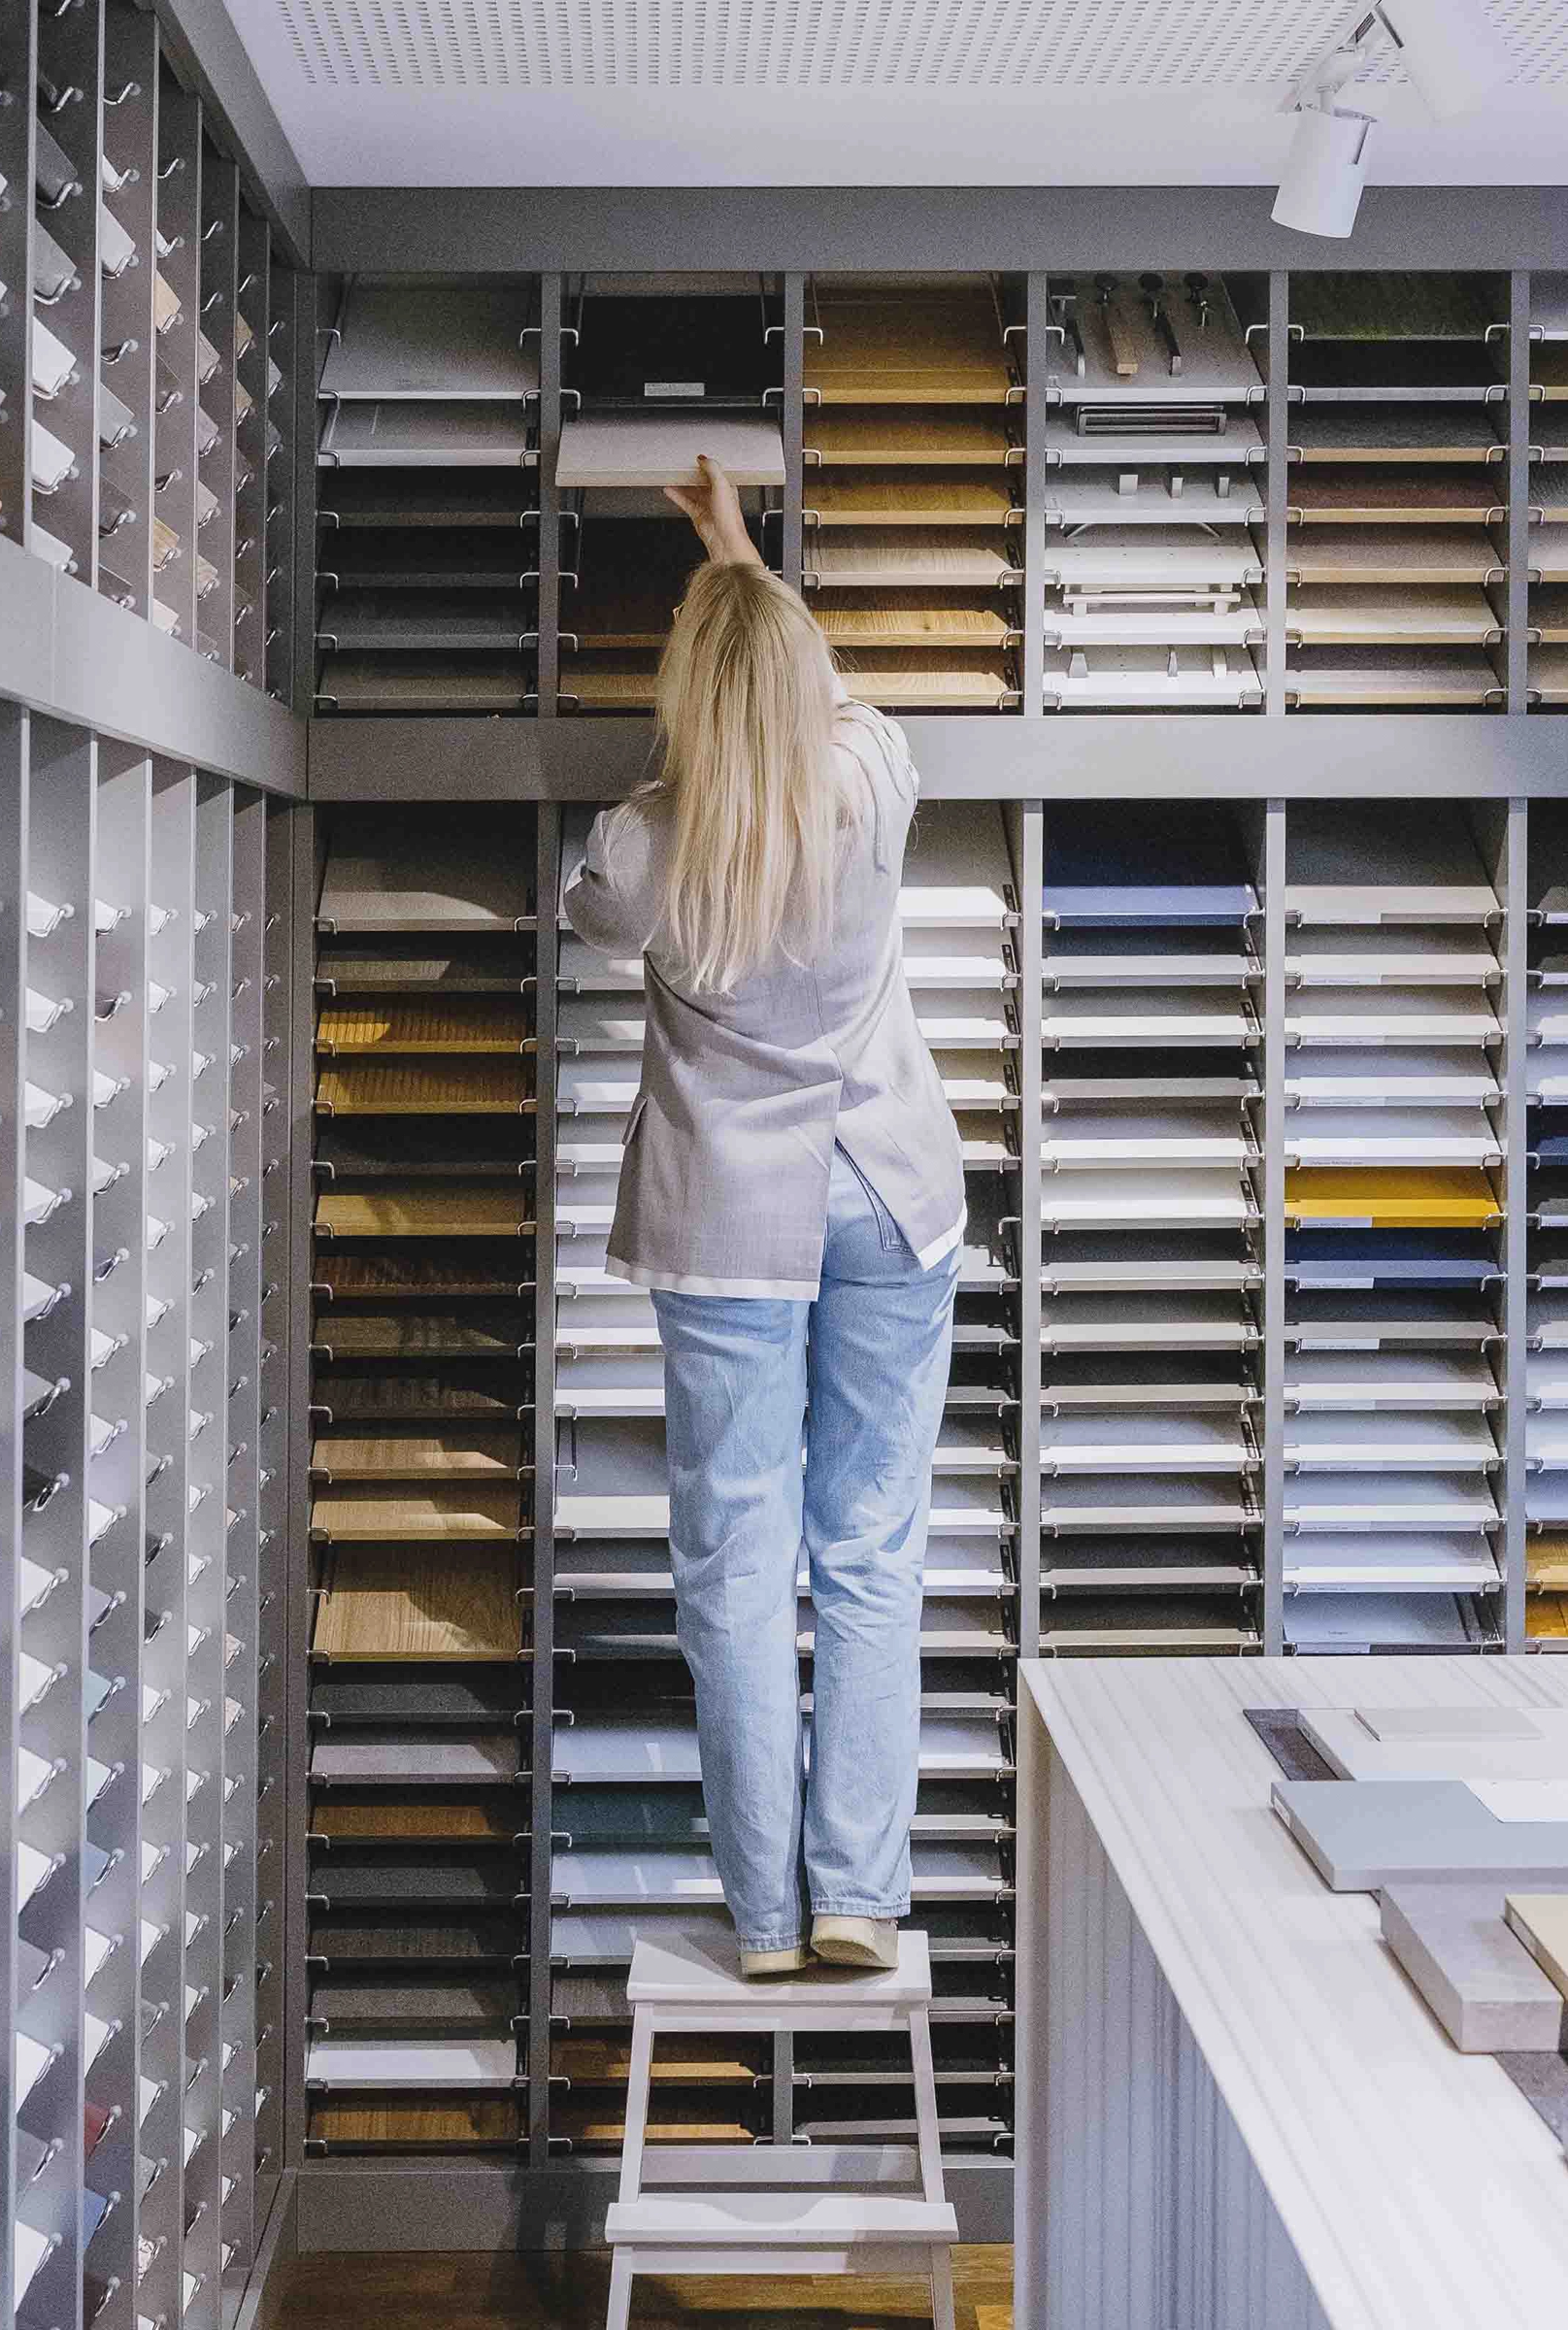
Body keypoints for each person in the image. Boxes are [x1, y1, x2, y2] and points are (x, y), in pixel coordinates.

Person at [562, 455, 965, 1978]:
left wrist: (716, 584)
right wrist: (747, 560)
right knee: (871, 1545)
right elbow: (838, 703)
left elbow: (592, 916)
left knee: (736, 1559)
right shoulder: (869, 779)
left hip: (734, 1219)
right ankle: (860, 1891)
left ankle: (770, 1920)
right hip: (885, 1189)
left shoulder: (644, 847)